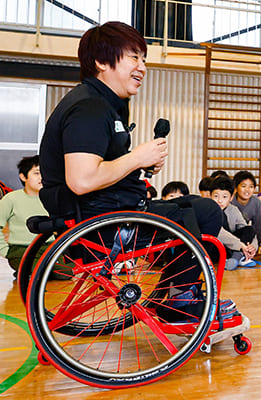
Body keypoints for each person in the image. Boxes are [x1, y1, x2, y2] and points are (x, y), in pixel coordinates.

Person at [38, 21, 231, 321]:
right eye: (133, 57)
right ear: (102, 62)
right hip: (102, 225)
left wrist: (139, 162)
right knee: (204, 211)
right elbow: (82, 179)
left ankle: (176, 295)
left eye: (143, 58)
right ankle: (182, 300)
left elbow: (101, 169)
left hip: (105, 213)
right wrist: (137, 157)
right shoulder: (89, 108)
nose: (142, 66)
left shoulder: (105, 104)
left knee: (196, 207)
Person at [0, 156, 49, 273]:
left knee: (66, 273)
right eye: (36, 173)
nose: (41, 177)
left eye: (44, 173)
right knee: (38, 271)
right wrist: (4, 250)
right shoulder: (11, 199)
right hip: (21, 248)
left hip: (48, 247)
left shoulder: (51, 198)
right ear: (23, 176)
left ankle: (28, 272)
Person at [210, 176, 257, 269]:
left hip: (232, 247)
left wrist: (252, 247)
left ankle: (235, 258)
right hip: (214, 246)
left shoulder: (233, 209)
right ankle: (238, 256)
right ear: (210, 195)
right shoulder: (209, 210)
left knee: (249, 229)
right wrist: (240, 245)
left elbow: (247, 230)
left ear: (231, 197)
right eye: (216, 196)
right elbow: (219, 232)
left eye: (224, 197)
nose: (220, 200)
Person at [231, 170, 261, 244]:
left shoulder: (256, 202)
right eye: (243, 186)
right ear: (236, 188)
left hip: (245, 234)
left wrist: (257, 245)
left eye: (251, 187)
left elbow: (258, 226)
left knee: (249, 230)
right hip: (231, 234)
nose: (247, 189)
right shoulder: (230, 201)